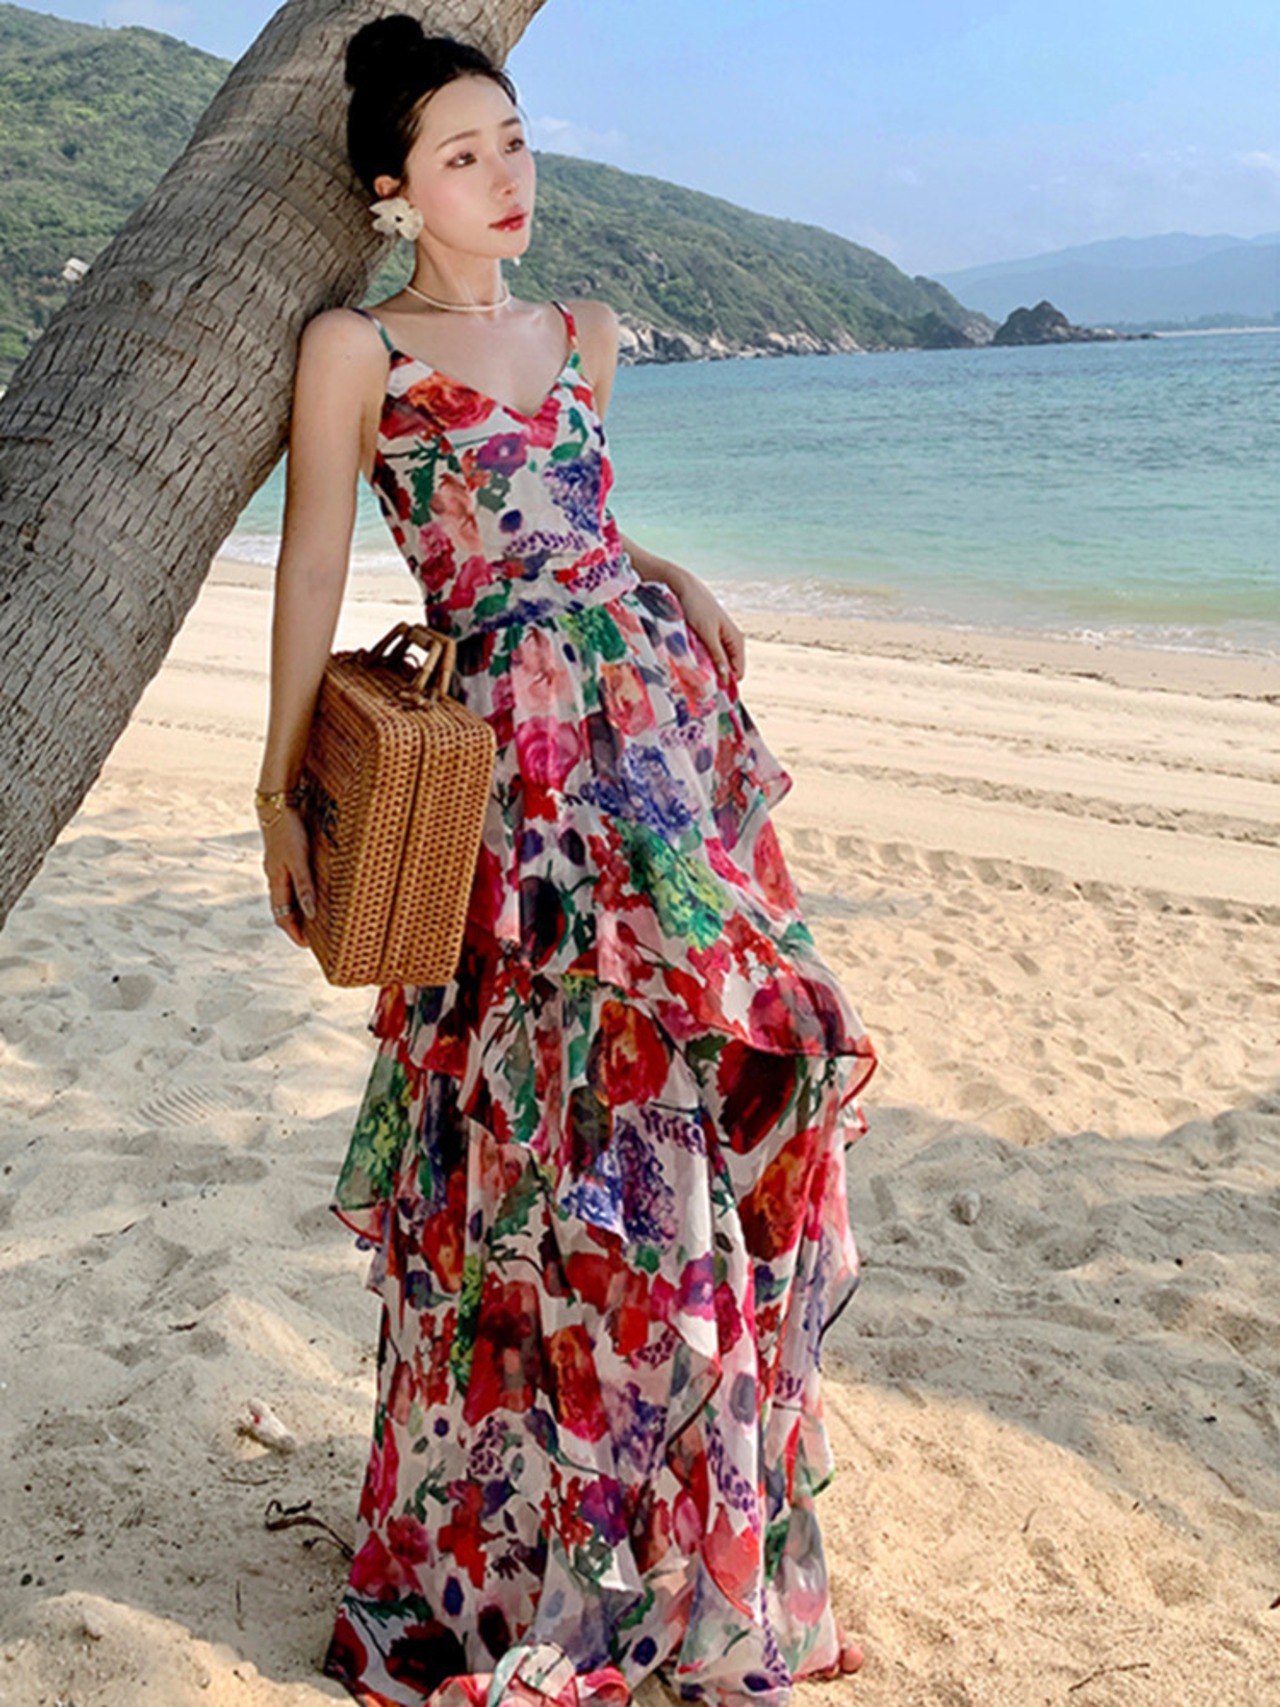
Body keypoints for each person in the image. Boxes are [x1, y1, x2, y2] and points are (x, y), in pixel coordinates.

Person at [256, 17, 877, 1707]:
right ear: (396, 192)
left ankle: (687, 1530)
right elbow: (313, 562)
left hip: (656, 747)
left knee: (722, 1064)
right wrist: (277, 787)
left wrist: (665, 570)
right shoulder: (358, 347)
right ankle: (526, 1532)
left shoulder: (585, 331)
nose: (504, 179)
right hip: (507, 786)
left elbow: (575, 523)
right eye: (462, 157)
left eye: (514, 143)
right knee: (541, 1121)